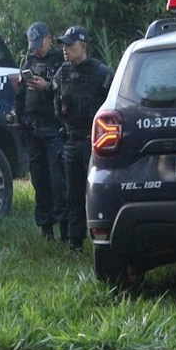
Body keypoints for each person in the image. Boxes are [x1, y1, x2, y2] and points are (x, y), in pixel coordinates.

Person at [52, 26, 113, 252]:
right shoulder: (61, 74)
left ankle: (105, 237)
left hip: (94, 141)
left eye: (70, 45)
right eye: (64, 45)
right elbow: (57, 108)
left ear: (84, 47)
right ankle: (74, 241)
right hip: (71, 140)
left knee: (97, 190)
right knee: (73, 193)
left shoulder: (101, 73)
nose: (65, 50)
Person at [14, 22, 68, 243]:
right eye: (33, 45)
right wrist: (20, 119)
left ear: (49, 38)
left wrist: (47, 87)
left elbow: (68, 92)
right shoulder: (29, 62)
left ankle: (66, 232)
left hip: (54, 129)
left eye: (39, 44)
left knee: (59, 183)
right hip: (33, 130)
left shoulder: (61, 62)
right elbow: (19, 95)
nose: (37, 49)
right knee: (40, 182)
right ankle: (46, 229)